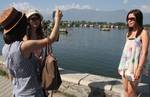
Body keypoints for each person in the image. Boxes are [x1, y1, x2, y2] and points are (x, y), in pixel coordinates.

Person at [0, 7, 62, 97]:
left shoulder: (5, 48)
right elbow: (51, 39)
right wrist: (57, 19)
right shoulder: (24, 46)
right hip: (33, 92)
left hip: (18, 91)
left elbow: (12, 73)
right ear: (21, 25)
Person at [118, 9, 149, 97]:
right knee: (126, 90)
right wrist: (121, 65)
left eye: (132, 18)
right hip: (125, 66)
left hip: (135, 66)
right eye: (128, 19)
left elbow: (145, 52)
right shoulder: (128, 33)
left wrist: (139, 69)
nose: (129, 20)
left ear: (138, 19)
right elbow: (126, 52)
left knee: (131, 93)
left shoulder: (144, 33)